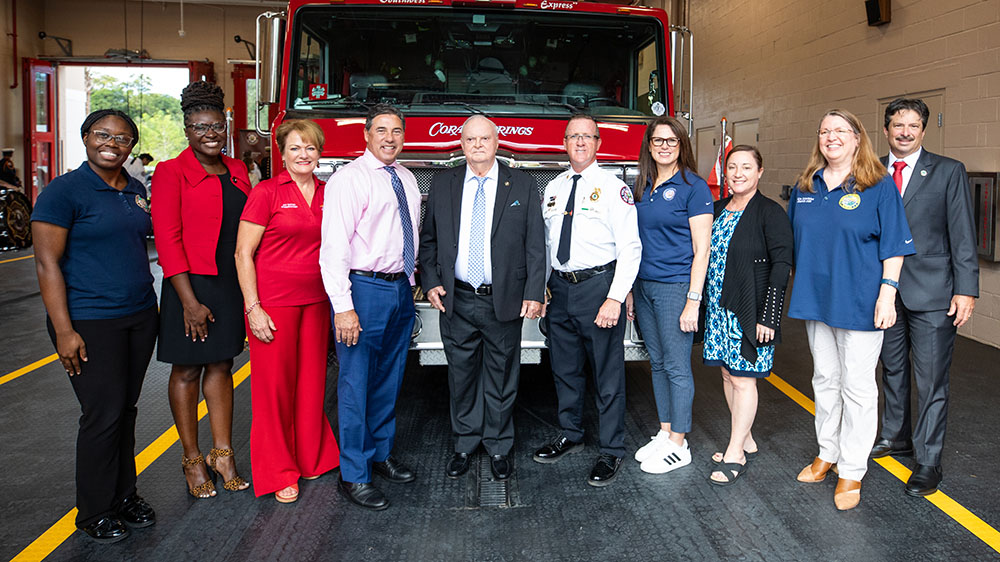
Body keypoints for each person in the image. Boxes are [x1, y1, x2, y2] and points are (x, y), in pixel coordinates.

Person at [31, 109, 158, 543]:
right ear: (86, 137)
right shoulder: (63, 192)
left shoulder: (135, 190)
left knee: (125, 410)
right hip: (90, 320)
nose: (112, 143)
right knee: (101, 415)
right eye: (103, 134)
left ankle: (124, 496)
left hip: (139, 315)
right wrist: (64, 330)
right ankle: (94, 510)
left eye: (122, 138)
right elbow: (47, 264)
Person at [788, 109, 914, 511]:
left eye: (841, 131)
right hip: (816, 300)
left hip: (860, 301)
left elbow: (894, 245)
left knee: (857, 388)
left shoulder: (877, 185)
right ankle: (827, 451)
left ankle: (851, 470)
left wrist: (887, 294)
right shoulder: (805, 185)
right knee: (825, 378)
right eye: (825, 131)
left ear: (858, 138)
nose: (832, 137)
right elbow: (792, 243)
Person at [419, 115, 545, 482]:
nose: (477, 145)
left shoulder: (520, 184)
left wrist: (534, 292)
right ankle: (464, 442)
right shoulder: (444, 184)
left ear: (496, 141)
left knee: (503, 376)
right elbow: (429, 241)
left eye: (484, 139)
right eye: (470, 139)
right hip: (456, 298)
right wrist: (430, 282)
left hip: (503, 299)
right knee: (461, 376)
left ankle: (499, 446)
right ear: (461, 145)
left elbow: (535, 244)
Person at [871, 98, 979, 496]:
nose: (904, 132)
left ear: (923, 130)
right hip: (883, 290)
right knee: (892, 370)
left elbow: (963, 234)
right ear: (885, 130)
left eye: (913, 126)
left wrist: (966, 290)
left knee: (931, 379)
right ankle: (895, 435)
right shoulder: (871, 170)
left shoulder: (948, 171)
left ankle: (928, 461)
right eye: (898, 125)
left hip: (933, 291)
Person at [151, 81, 253, 499]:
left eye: (216, 126)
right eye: (200, 127)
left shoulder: (238, 169)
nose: (210, 134)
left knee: (221, 367)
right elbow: (167, 239)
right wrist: (188, 302)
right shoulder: (170, 172)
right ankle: (192, 458)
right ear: (187, 129)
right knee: (188, 369)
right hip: (187, 285)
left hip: (228, 283)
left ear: (225, 127)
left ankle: (223, 452)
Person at [235, 119, 341, 503]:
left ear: (320, 153)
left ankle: (312, 458)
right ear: (282, 153)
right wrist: (253, 308)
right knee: (274, 390)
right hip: (275, 304)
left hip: (316, 302)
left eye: (310, 148)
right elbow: (243, 253)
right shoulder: (266, 193)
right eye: (295, 148)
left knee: (312, 385)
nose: (303, 155)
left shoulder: (330, 193)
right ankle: (279, 470)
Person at [533, 114, 642, 487]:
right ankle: (571, 433)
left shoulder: (614, 189)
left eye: (587, 137)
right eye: (573, 136)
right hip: (560, 290)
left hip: (599, 288)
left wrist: (614, 298)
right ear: (564, 143)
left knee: (607, 375)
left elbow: (630, 247)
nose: (580, 142)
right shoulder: (552, 188)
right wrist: (545, 288)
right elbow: (547, 246)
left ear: (598, 143)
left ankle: (611, 450)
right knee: (565, 370)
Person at [320, 104, 420, 510]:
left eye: (396, 131)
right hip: (362, 290)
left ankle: (380, 454)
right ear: (366, 135)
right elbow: (333, 249)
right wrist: (343, 307)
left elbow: (407, 236)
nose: (390, 138)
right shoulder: (349, 180)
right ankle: (354, 473)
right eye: (381, 130)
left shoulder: (407, 178)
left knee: (389, 380)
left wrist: (411, 285)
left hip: (399, 291)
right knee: (355, 383)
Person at [701, 146, 793, 485]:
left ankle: (735, 451)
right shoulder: (718, 208)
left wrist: (768, 316)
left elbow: (782, 266)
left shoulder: (770, 212)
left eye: (746, 167)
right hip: (718, 308)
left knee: (743, 378)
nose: (738, 173)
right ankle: (746, 438)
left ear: (760, 171)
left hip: (750, 310)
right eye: (732, 167)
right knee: (728, 375)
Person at [627, 116, 712, 475]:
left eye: (671, 141)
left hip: (676, 286)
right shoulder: (642, 184)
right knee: (657, 363)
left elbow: (702, 248)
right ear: (649, 146)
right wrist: (631, 291)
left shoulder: (694, 187)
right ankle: (664, 432)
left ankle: (680, 442)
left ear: (681, 146)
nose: (664, 146)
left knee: (677, 367)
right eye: (658, 140)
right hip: (644, 286)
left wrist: (694, 299)